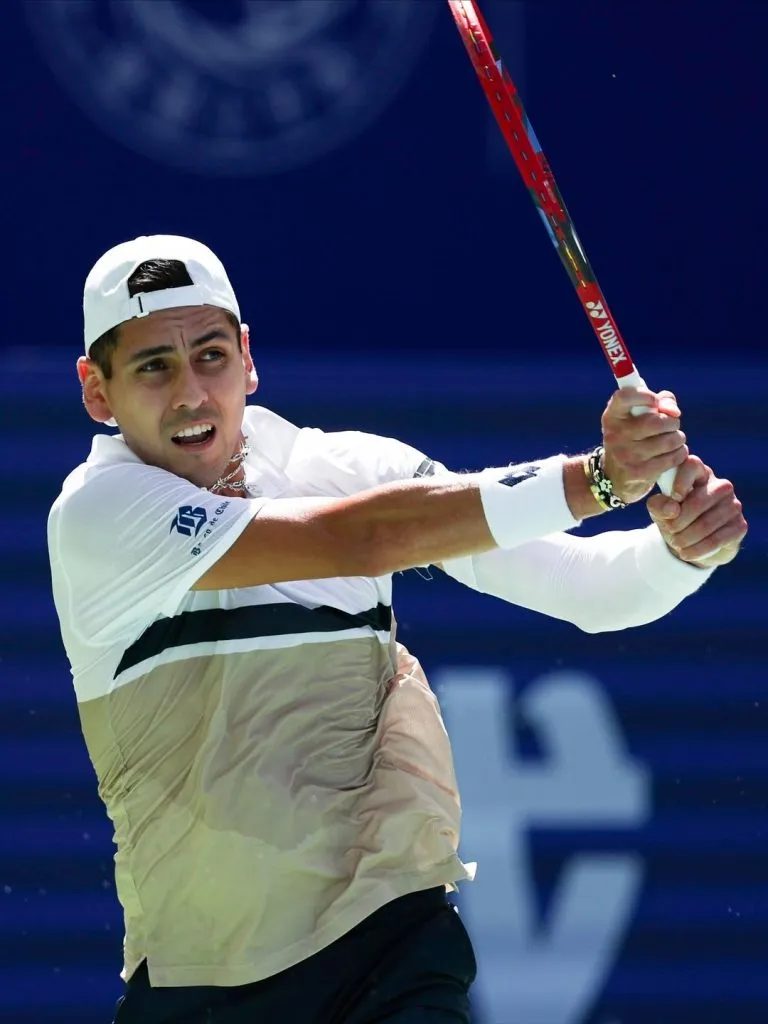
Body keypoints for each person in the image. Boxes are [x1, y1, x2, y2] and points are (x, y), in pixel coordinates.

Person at [47, 235, 747, 1024]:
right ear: (97, 391)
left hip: (390, 948)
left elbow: (584, 587)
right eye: (153, 367)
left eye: (210, 356)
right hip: (198, 984)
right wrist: (598, 478)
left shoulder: (351, 470)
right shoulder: (94, 515)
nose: (191, 394)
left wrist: (681, 552)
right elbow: (362, 539)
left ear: (248, 358)